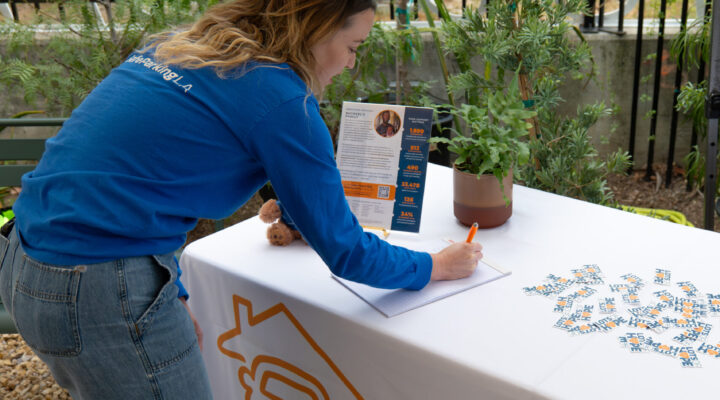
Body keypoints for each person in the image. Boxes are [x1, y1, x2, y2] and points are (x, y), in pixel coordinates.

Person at [0, 0, 483, 398]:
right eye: (353, 45)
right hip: (99, 286)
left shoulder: (177, 49)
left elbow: (131, 179)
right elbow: (347, 251)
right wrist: (437, 266)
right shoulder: (280, 100)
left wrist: (172, 292)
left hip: (26, 258)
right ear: (313, 31)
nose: (352, 62)